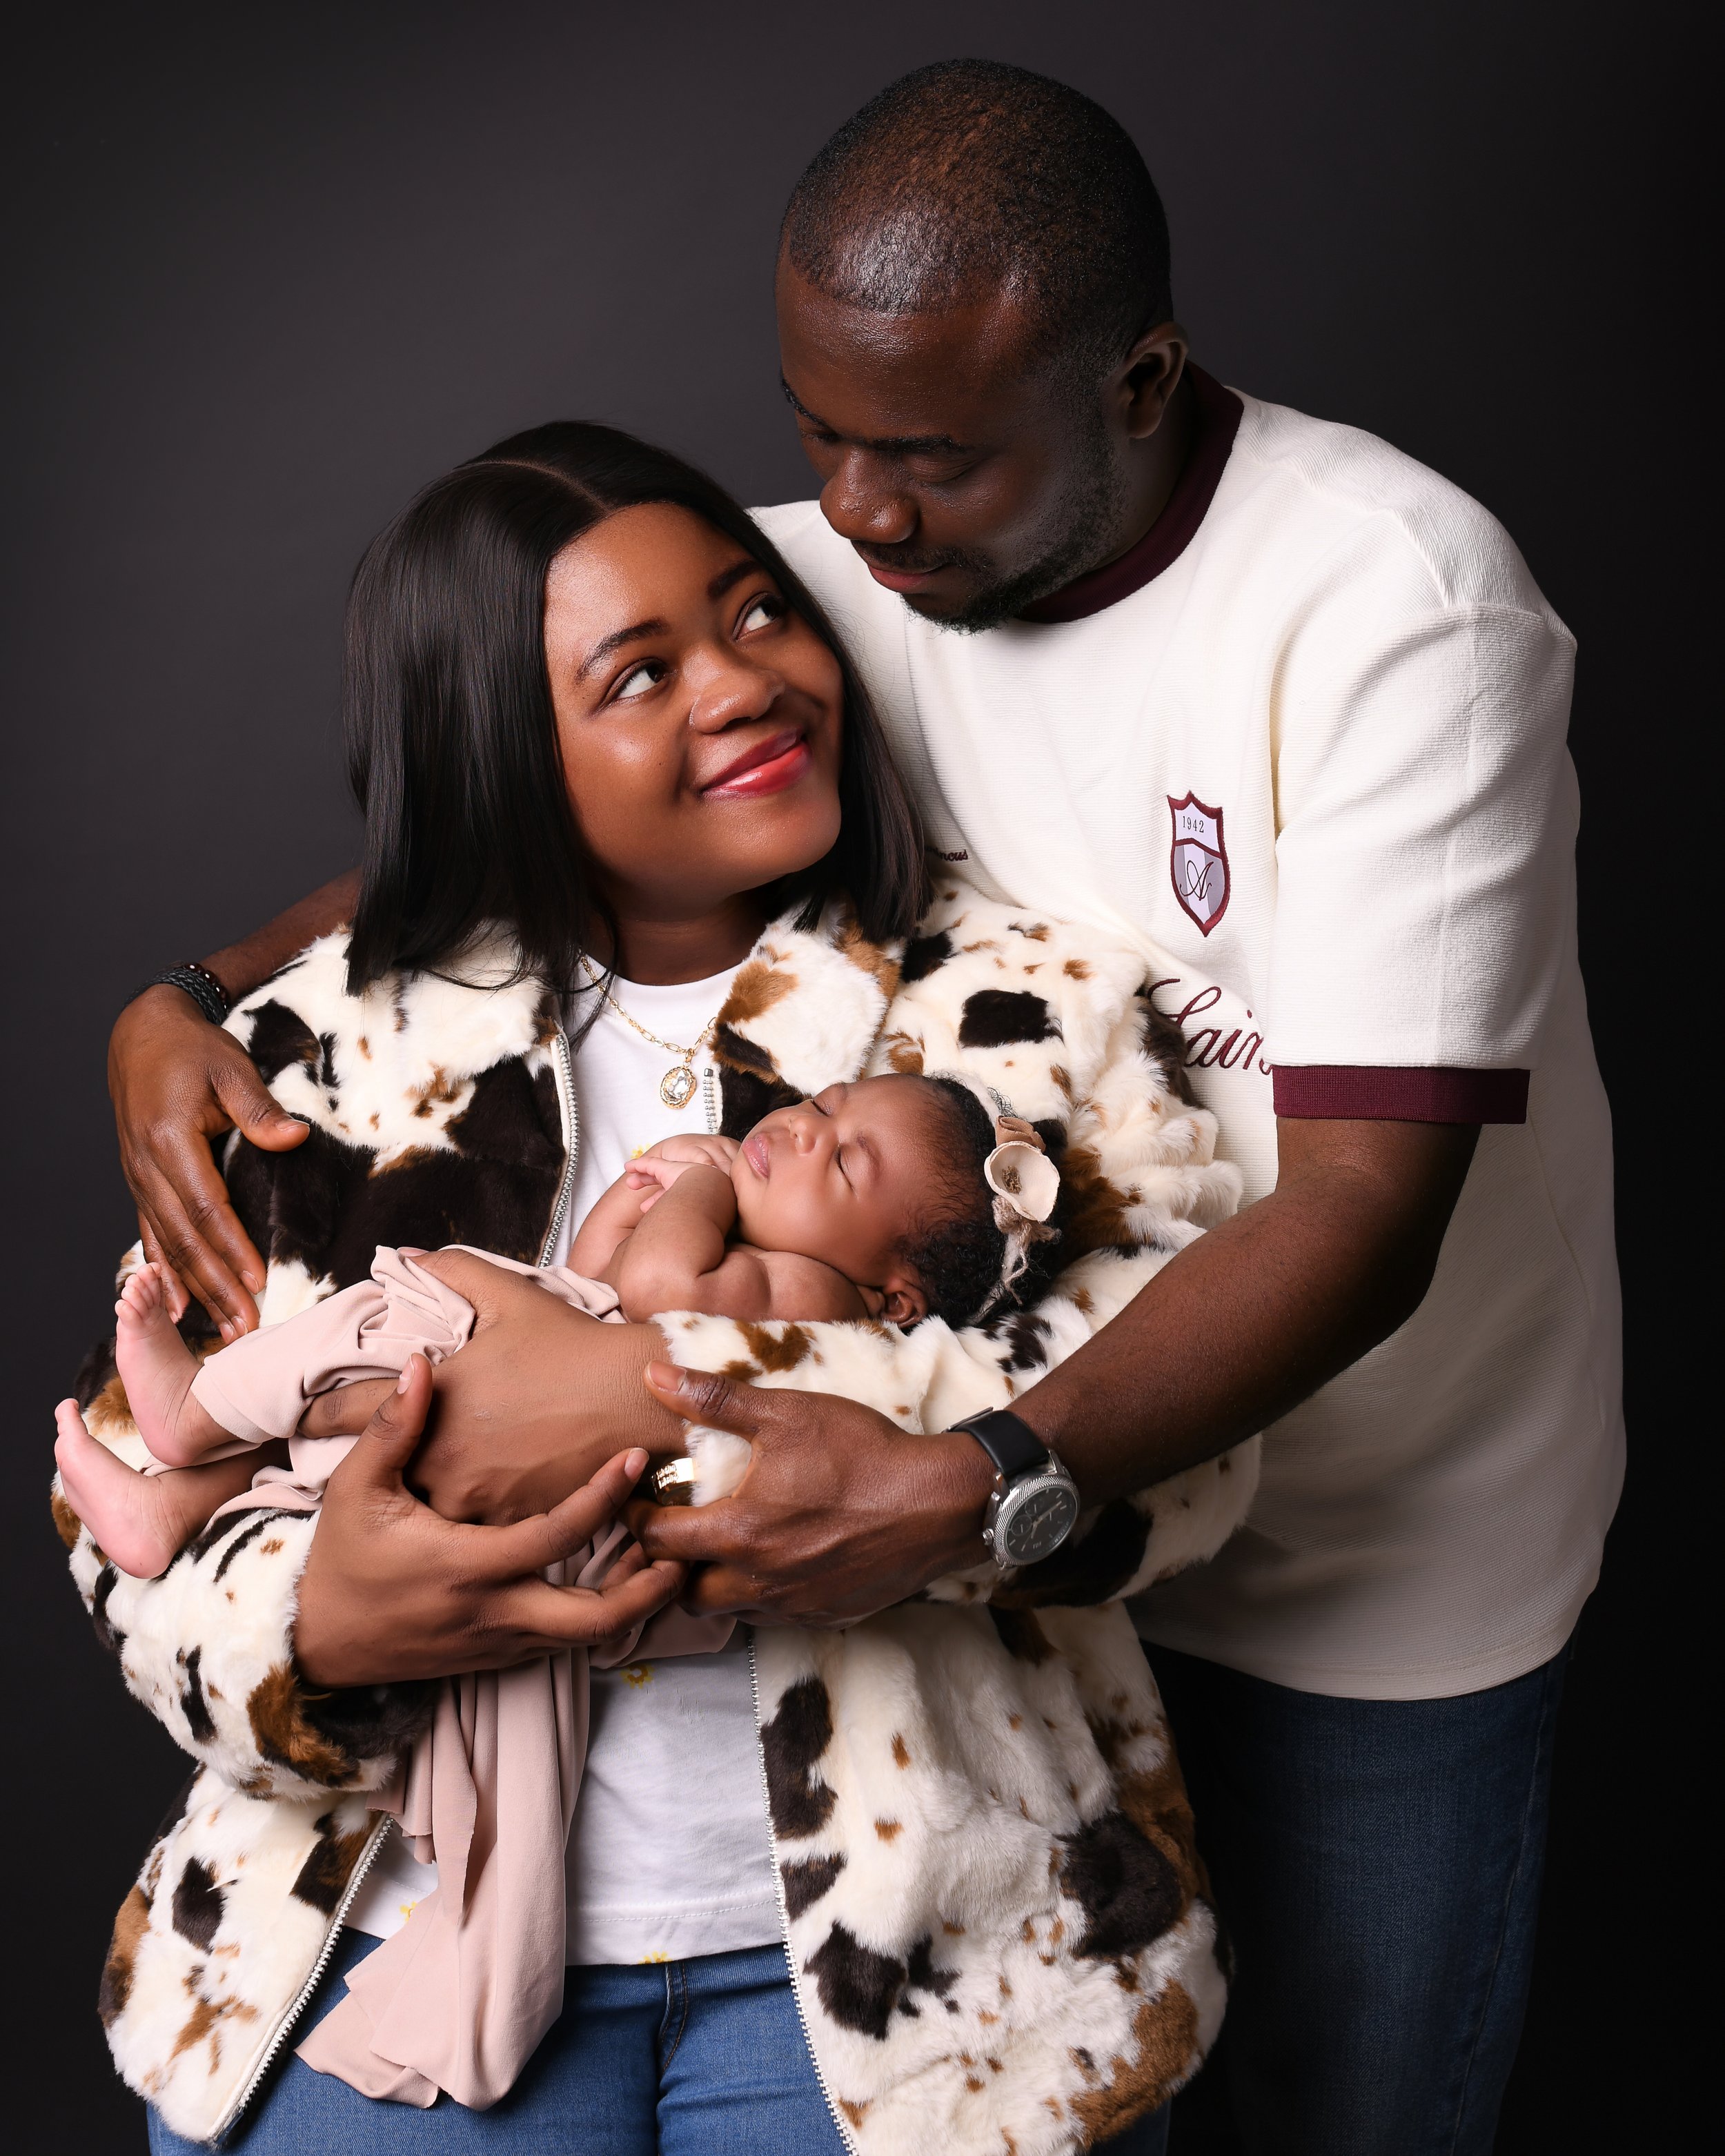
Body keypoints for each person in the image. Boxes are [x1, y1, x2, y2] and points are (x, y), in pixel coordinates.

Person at [101, 61, 1620, 2156]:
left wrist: (933, 1466)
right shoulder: (846, 568)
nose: (851, 516)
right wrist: (192, 996)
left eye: (922, 456)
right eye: (818, 437)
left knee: (1333, 2106)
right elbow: (514, 796)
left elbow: (1361, 1207)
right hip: (972, 1621)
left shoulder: (1386, 610)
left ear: (1136, 384)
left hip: (1358, 1535)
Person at [66, 416, 1251, 2152]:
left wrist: (650, 1394)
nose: (745, 682)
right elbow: (135, 1500)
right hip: (369, 1932)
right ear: (501, 753)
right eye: (638, 673)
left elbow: (1190, 1433)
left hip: (937, 1974)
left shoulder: (1025, 1006)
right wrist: (311, 1632)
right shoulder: (308, 1049)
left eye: (759, 611)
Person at [57, 1074, 1036, 1579]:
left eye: (848, 1163)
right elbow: (596, 1275)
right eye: (824, 1103)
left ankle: (189, 1412)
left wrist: (700, 1182)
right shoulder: (766, 1257)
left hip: (510, 1412)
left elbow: (652, 1286)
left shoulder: (822, 1303)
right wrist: (632, 1200)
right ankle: (175, 1507)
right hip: (521, 1386)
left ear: (896, 1297)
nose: (808, 1129)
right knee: (324, 1419)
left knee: (357, 1334)